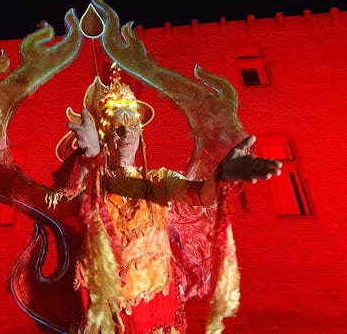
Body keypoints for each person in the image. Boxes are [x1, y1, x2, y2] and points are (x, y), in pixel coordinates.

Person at [47, 73, 282, 334]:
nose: (126, 135)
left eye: (133, 127)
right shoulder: (93, 179)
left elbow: (200, 195)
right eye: (117, 129)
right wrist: (88, 155)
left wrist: (221, 176)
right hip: (103, 302)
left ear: (141, 134)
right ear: (104, 136)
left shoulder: (158, 180)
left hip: (155, 301)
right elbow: (67, 187)